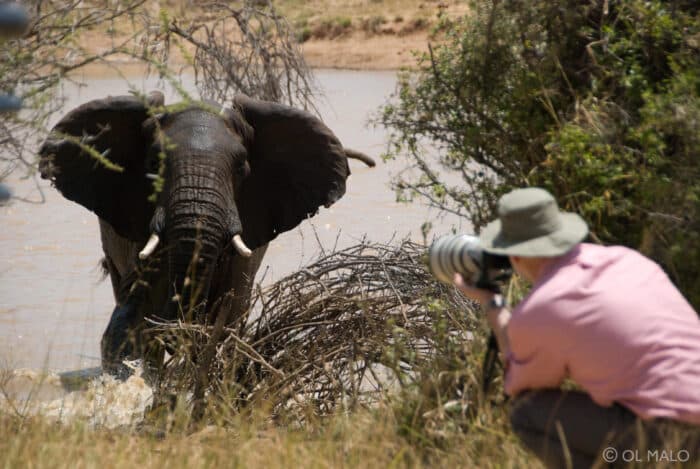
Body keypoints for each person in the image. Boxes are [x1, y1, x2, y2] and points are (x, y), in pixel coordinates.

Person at [453, 187, 700, 469]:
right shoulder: (628, 260)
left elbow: (521, 386)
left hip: (672, 444)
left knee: (526, 412)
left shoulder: (545, 306)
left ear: (516, 256)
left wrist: (492, 304)